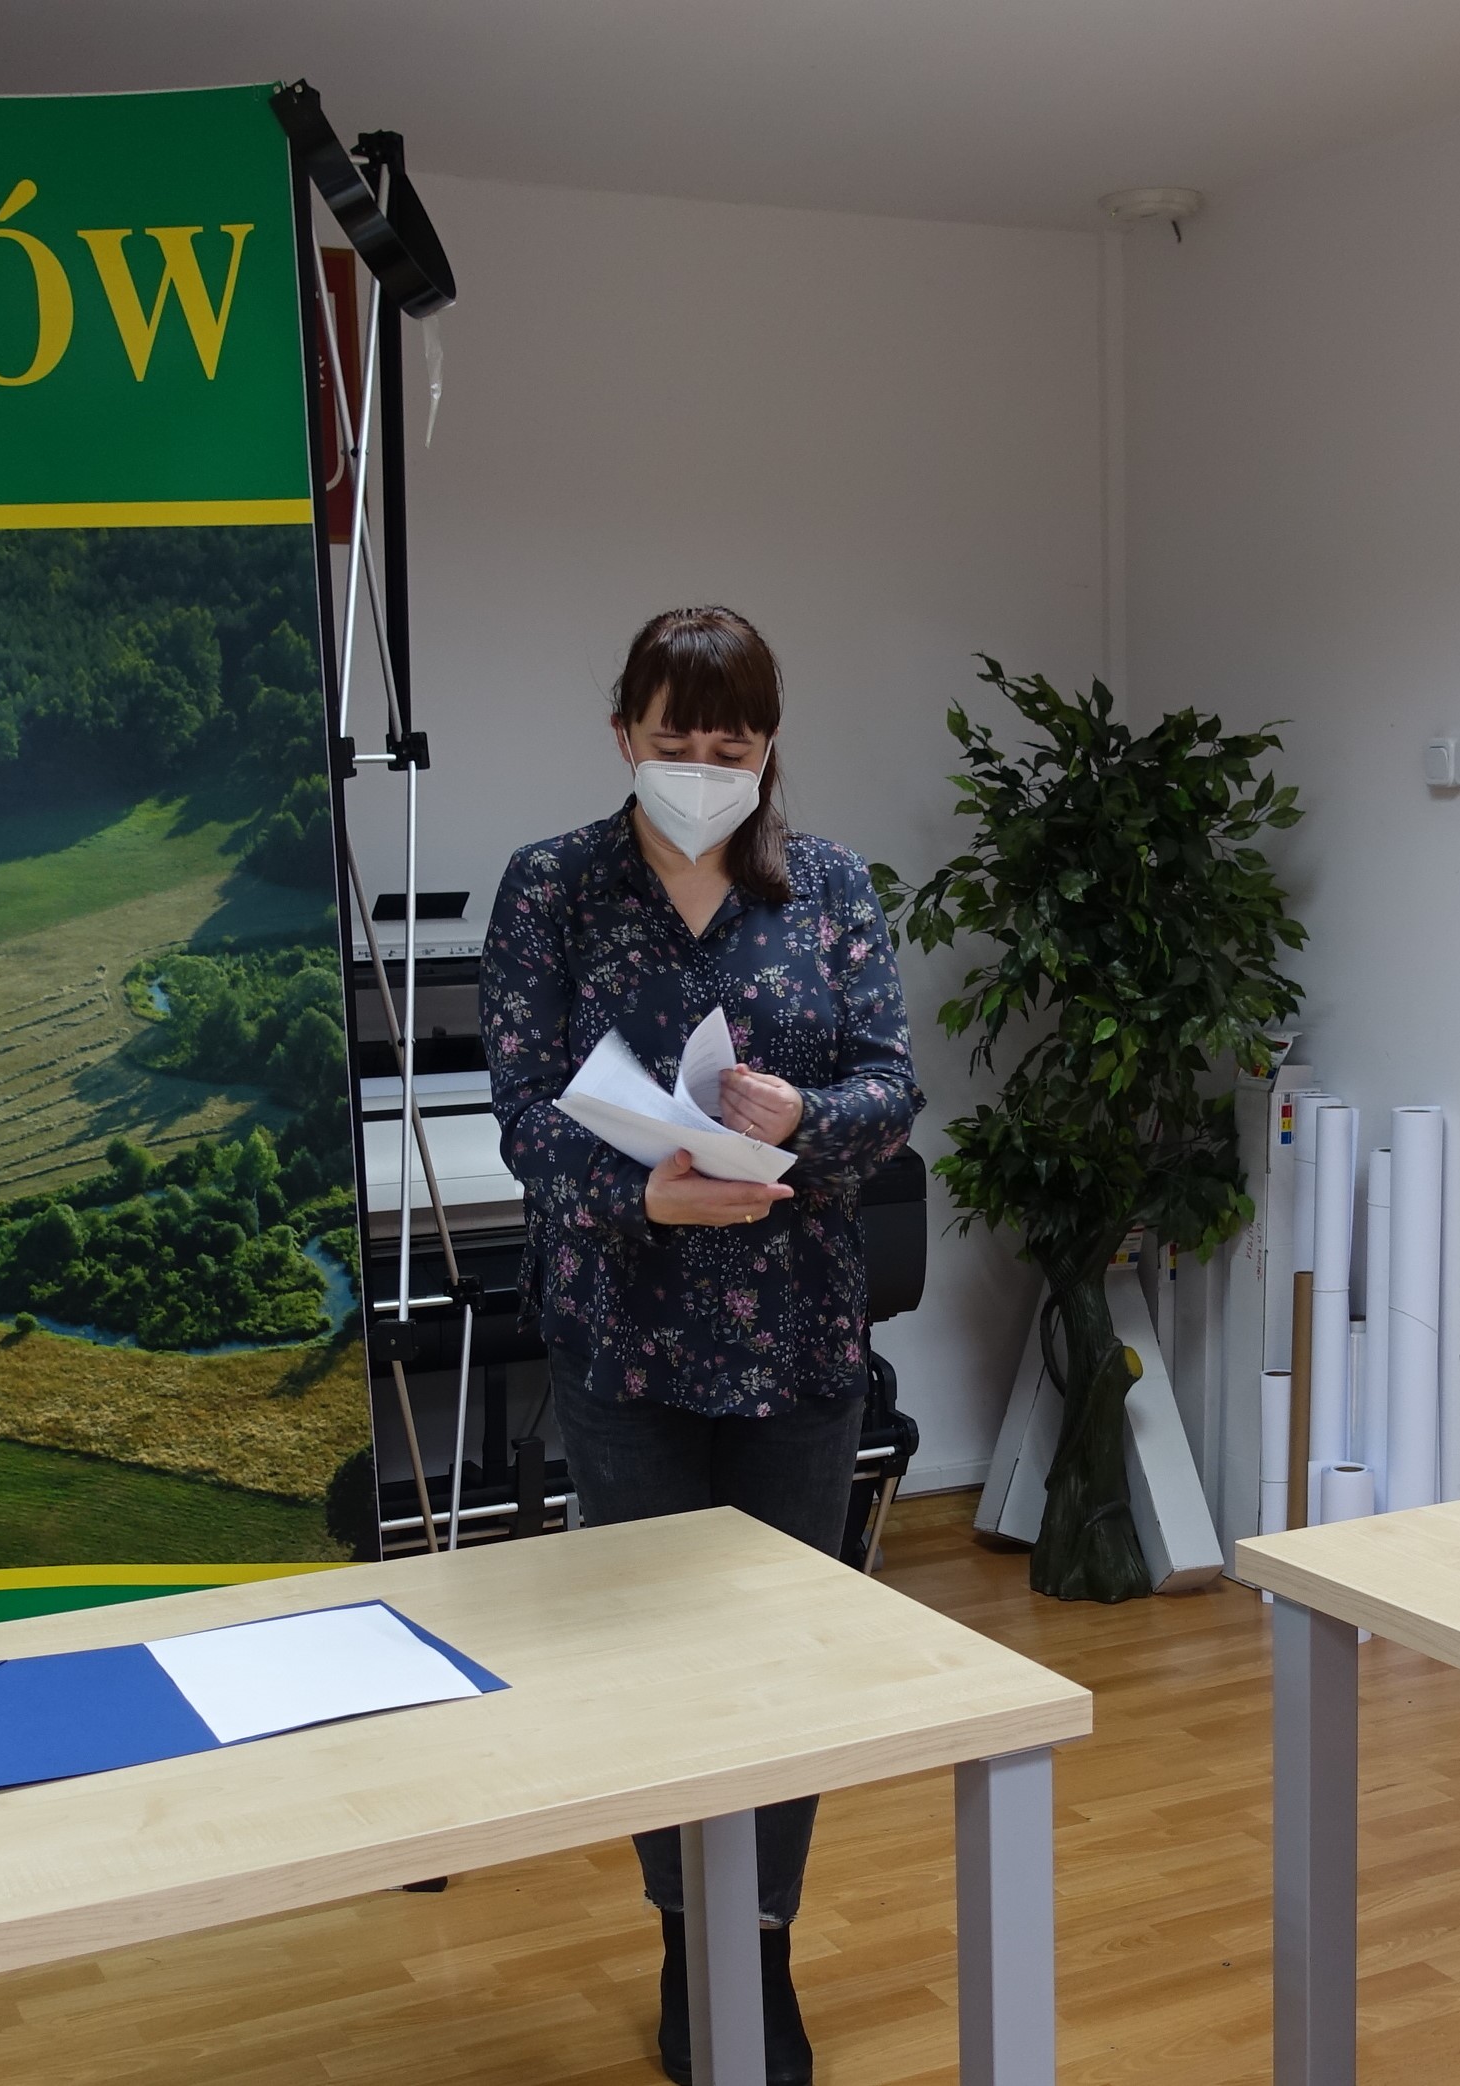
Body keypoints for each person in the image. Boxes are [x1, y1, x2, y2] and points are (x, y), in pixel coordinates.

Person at [482, 604, 923, 2086]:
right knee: (657, 1661)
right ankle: (688, 1934)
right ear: (624, 733)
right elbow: (524, 1112)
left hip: (795, 1331)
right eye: (677, 740)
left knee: (783, 1656)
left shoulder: (832, 886)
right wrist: (642, 1193)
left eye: (733, 746)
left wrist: (808, 1114)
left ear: (768, 747)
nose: (704, 768)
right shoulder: (553, 886)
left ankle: (764, 1941)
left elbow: (891, 1088)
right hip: (623, 1331)